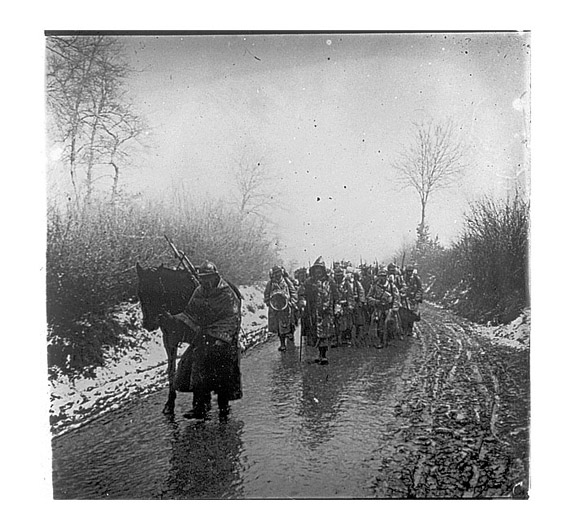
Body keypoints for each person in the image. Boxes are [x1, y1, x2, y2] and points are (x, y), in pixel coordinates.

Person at [163, 261, 242, 420]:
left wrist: (221, 338)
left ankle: (223, 406)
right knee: (194, 367)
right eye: (202, 278)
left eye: (207, 278)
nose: (204, 281)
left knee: (223, 374)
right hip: (204, 337)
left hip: (224, 340)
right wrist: (174, 319)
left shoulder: (227, 293)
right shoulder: (199, 291)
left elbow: (232, 318)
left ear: (215, 277)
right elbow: (190, 314)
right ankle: (199, 407)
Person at [298, 256, 340, 365]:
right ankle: (318, 354)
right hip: (313, 312)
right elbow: (301, 292)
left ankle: (323, 355)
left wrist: (337, 306)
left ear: (323, 270)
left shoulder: (330, 281)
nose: (318, 272)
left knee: (325, 334)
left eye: (320, 270)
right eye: (316, 270)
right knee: (315, 334)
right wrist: (302, 301)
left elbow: (336, 295)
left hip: (327, 312)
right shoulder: (309, 282)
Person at [264, 265, 297, 351]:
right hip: (276, 307)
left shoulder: (286, 281)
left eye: (278, 272)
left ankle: (291, 334)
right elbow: (266, 294)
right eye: (275, 273)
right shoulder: (270, 283)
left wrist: (293, 301)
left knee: (289, 322)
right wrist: (268, 302)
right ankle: (282, 343)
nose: (277, 274)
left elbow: (293, 291)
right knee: (279, 326)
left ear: (281, 272)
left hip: (287, 306)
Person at [367, 268, 398, 348]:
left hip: (389, 308)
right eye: (380, 276)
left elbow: (396, 297)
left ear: (386, 276)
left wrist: (394, 308)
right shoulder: (374, 286)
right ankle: (380, 341)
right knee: (378, 325)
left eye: (383, 276)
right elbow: (369, 297)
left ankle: (389, 340)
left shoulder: (391, 286)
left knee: (390, 324)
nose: (382, 278)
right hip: (379, 308)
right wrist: (376, 301)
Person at [402, 264, 423, 335]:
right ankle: (404, 329)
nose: (409, 273)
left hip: (413, 299)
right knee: (404, 314)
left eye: (410, 271)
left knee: (412, 315)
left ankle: (410, 329)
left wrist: (417, 297)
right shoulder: (403, 278)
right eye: (408, 271)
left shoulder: (416, 279)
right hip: (404, 298)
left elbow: (420, 289)